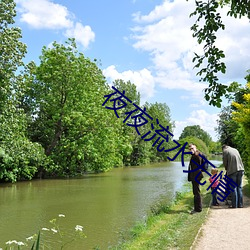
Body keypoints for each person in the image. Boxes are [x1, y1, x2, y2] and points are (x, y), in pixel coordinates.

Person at [188, 143, 205, 214]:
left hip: (196, 175)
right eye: (190, 149)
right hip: (196, 175)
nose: (191, 150)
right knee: (196, 192)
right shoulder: (197, 155)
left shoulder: (197, 154)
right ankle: (197, 207)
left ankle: (198, 209)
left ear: (195, 148)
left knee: (196, 192)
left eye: (192, 148)